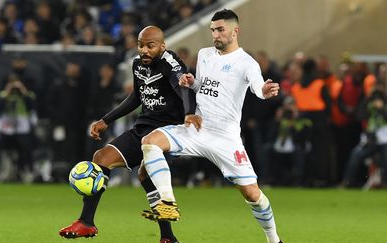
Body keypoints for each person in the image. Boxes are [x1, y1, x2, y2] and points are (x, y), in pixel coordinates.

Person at [140, 9, 283, 243]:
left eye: (220, 30)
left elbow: (258, 87)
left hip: (226, 138)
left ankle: (274, 239)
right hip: (197, 129)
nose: (215, 34)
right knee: (150, 142)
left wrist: (265, 92)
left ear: (235, 31)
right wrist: (192, 82)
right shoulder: (205, 54)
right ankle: (167, 202)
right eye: (212, 30)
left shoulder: (247, 63)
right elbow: (204, 88)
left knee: (252, 194)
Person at [59, 25, 196, 243]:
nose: (144, 50)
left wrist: (189, 113)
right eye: (140, 45)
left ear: (162, 46)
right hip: (144, 126)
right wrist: (106, 120)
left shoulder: (172, 64)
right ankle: (86, 223)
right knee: (101, 158)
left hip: (168, 131)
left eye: (150, 46)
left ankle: (168, 236)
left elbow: (184, 88)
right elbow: (136, 98)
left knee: (145, 173)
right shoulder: (137, 65)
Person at [0, 74, 37, 184]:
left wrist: (23, 92)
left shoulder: (28, 95)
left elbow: (32, 108)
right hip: (5, 131)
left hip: (22, 131)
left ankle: (28, 171)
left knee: (27, 146)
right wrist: (6, 94)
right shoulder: (3, 95)